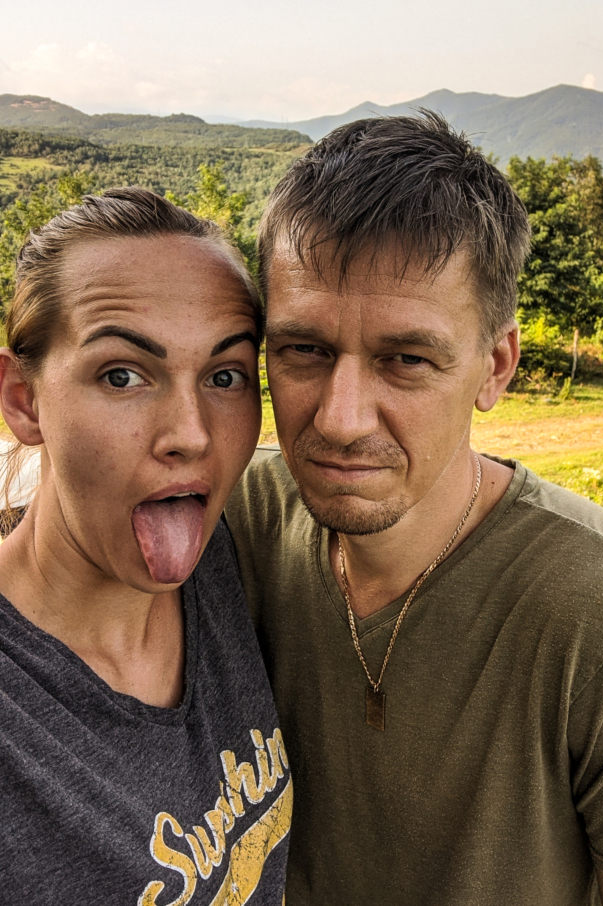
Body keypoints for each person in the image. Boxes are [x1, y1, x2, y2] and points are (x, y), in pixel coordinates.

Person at [225, 114, 603, 906]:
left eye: (405, 360)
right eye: (304, 350)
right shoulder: (236, 521)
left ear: (495, 366)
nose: (341, 419)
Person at [0, 189, 291, 905]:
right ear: (23, 400)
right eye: (122, 375)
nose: (191, 432)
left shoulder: (226, 560)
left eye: (225, 376)